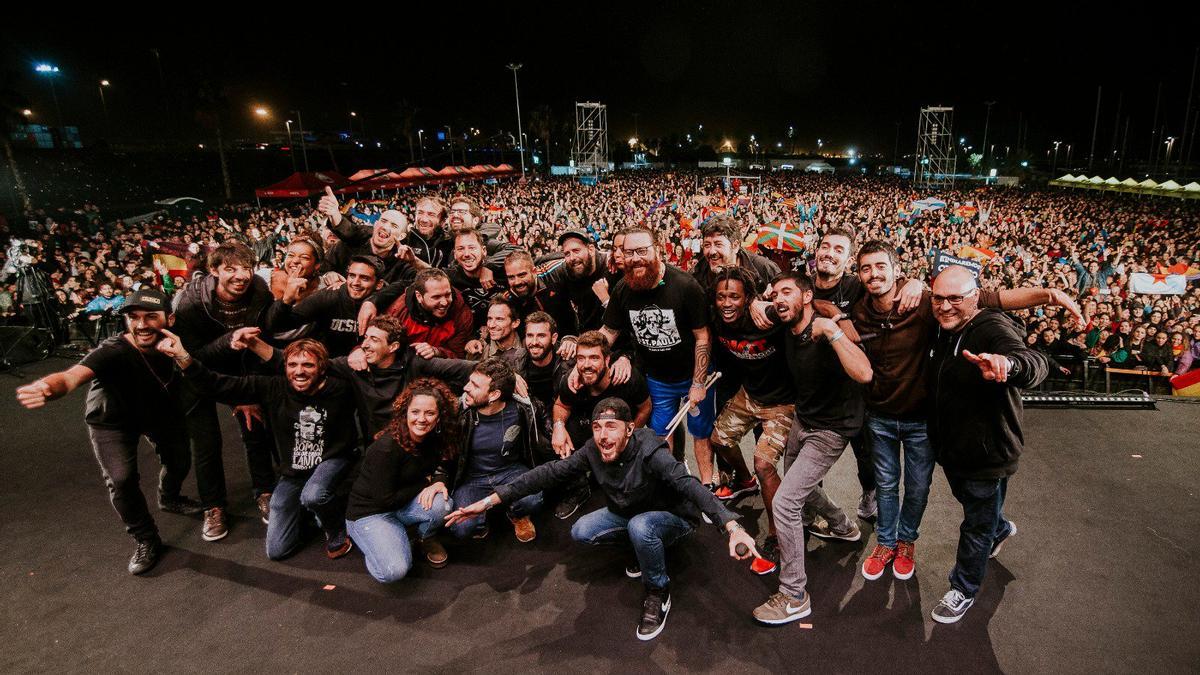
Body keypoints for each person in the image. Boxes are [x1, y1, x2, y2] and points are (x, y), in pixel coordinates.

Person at [851, 240, 1081, 582]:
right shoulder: (857, 306)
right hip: (880, 416)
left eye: (881, 265)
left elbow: (993, 299)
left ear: (897, 269)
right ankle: (886, 543)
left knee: (916, 489)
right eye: (866, 268)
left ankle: (907, 542)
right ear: (858, 274)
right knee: (885, 486)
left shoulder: (928, 300)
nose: (874, 274)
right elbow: (823, 303)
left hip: (919, 420)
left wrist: (1050, 294)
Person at [445, 397, 759, 641]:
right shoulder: (592, 451)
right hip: (627, 512)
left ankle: (658, 592)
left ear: (629, 429)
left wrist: (732, 526)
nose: (602, 436)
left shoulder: (652, 452)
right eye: (597, 427)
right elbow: (545, 475)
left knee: (642, 527)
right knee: (582, 530)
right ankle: (643, 549)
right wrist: (488, 502)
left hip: (672, 518)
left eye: (611, 427)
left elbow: (689, 486)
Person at [14, 288, 201, 575]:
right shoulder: (113, 350)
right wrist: (47, 388)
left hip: (159, 412)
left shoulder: (178, 342)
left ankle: (169, 496)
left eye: (151, 316)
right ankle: (146, 539)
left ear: (170, 319)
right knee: (122, 480)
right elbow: (71, 377)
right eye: (134, 318)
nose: (141, 325)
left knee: (180, 460)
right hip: (112, 420)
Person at [158, 334, 361, 561]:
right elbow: (218, 385)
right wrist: (183, 357)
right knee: (277, 550)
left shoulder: (341, 389)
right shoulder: (273, 387)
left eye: (308, 365)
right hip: (295, 472)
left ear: (322, 368)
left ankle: (336, 529)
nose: (299, 371)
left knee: (314, 495)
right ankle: (308, 511)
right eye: (292, 365)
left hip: (332, 460)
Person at [926, 265, 1049, 623]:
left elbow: (1034, 362)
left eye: (955, 298)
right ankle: (1000, 528)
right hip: (953, 449)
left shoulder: (992, 327)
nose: (945, 306)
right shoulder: (942, 328)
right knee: (976, 508)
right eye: (938, 298)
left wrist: (1008, 365)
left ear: (975, 297)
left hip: (988, 452)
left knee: (975, 524)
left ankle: (963, 589)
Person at [751, 272, 873, 625]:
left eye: (786, 292)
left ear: (806, 297)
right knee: (797, 487)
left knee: (787, 501)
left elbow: (864, 373)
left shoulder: (823, 330)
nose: (778, 299)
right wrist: (760, 301)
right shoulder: (784, 316)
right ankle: (841, 525)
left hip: (832, 429)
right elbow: (754, 308)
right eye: (775, 294)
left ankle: (793, 595)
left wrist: (833, 331)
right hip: (804, 419)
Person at [171, 240, 277, 540]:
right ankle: (213, 506)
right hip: (194, 372)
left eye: (246, 268)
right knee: (206, 442)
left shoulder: (259, 291)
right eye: (231, 269)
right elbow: (188, 357)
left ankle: (265, 491)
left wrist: (242, 396)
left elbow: (259, 344)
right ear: (214, 270)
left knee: (254, 427)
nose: (241, 275)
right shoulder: (189, 302)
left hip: (240, 366)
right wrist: (227, 342)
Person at [600, 226, 717, 479]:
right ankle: (670, 485)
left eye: (642, 250)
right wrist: (584, 359)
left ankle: (708, 486)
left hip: (692, 376)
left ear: (658, 250)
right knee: (661, 434)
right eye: (629, 252)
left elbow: (702, 336)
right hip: (658, 380)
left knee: (701, 432)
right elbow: (609, 332)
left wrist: (698, 382)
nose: (635, 258)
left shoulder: (685, 286)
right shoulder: (623, 288)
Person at [345, 378, 460, 581]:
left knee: (442, 504)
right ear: (405, 412)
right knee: (393, 571)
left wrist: (439, 480)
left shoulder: (436, 437)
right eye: (415, 412)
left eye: (430, 413)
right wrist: (426, 482)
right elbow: (384, 501)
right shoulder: (386, 448)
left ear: (439, 417)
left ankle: (422, 537)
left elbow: (446, 462)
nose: (421, 419)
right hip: (370, 513)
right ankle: (378, 541)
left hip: (401, 504)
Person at [448, 358, 551, 542]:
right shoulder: (459, 412)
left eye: (474, 385)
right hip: (473, 477)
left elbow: (543, 420)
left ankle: (516, 513)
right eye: (469, 381)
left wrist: (558, 428)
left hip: (509, 471)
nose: (466, 388)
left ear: (494, 395)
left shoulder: (522, 409)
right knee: (462, 528)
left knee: (533, 499)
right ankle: (482, 517)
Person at [551, 330, 652, 519]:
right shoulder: (572, 382)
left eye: (593, 358)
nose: (586, 365)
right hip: (588, 427)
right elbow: (561, 405)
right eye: (581, 358)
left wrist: (627, 438)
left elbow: (645, 408)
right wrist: (558, 426)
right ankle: (578, 488)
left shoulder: (627, 379)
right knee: (563, 432)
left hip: (619, 430)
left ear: (607, 360)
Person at [265, 255, 382, 357]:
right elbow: (278, 325)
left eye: (364, 278)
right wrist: (286, 299)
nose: (355, 282)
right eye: (352, 276)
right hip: (329, 366)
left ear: (379, 284)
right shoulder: (330, 295)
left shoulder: (386, 299)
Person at [380, 268, 474, 358]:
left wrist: (437, 352)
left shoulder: (461, 314)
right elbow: (384, 348)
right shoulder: (397, 311)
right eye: (436, 297)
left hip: (439, 368)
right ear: (419, 296)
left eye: (448, 295)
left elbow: (457, 356)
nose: (444, 302)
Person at [521, 311, 571, 413]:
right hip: (531, 421)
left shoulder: (567, 359)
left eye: (541, 336)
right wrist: (510, 375)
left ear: (553, 338)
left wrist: (574, 340)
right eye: (530, 335)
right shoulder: (515, 361)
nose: (534, 342)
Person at [465, 296, 528, 373]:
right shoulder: (478, 349)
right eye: (489, 318)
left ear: (515, 323)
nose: (491, 325)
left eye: (499, 319)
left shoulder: (528, 347)